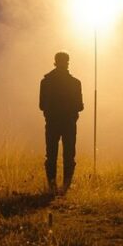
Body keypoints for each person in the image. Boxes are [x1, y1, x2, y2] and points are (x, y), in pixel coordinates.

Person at [39, 51, 84, 194]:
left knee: (51, 154)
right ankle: (65, 187)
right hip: (69, 123)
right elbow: (80, 106)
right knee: (69, 155)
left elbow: (42, 105)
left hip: (52, 122)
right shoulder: (75, 83)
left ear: (55, 62)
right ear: (67, 62)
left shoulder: (46, 82)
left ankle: (52, 186)